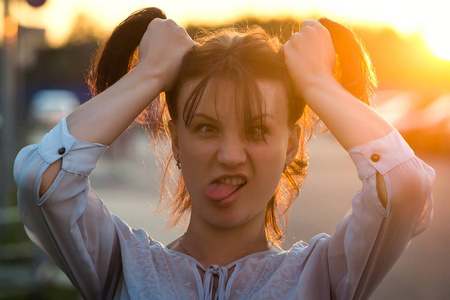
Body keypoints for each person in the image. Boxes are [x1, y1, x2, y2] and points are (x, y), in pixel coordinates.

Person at [14, 7, 434, 300]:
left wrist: (319, 85)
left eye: (256, 130)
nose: (231, 155)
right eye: (206, 128)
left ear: (291, 145)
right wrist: (151, 74)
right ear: (175, 140)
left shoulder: (325, 276)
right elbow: (43, 179)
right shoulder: (121, 266)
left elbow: (403, 185)